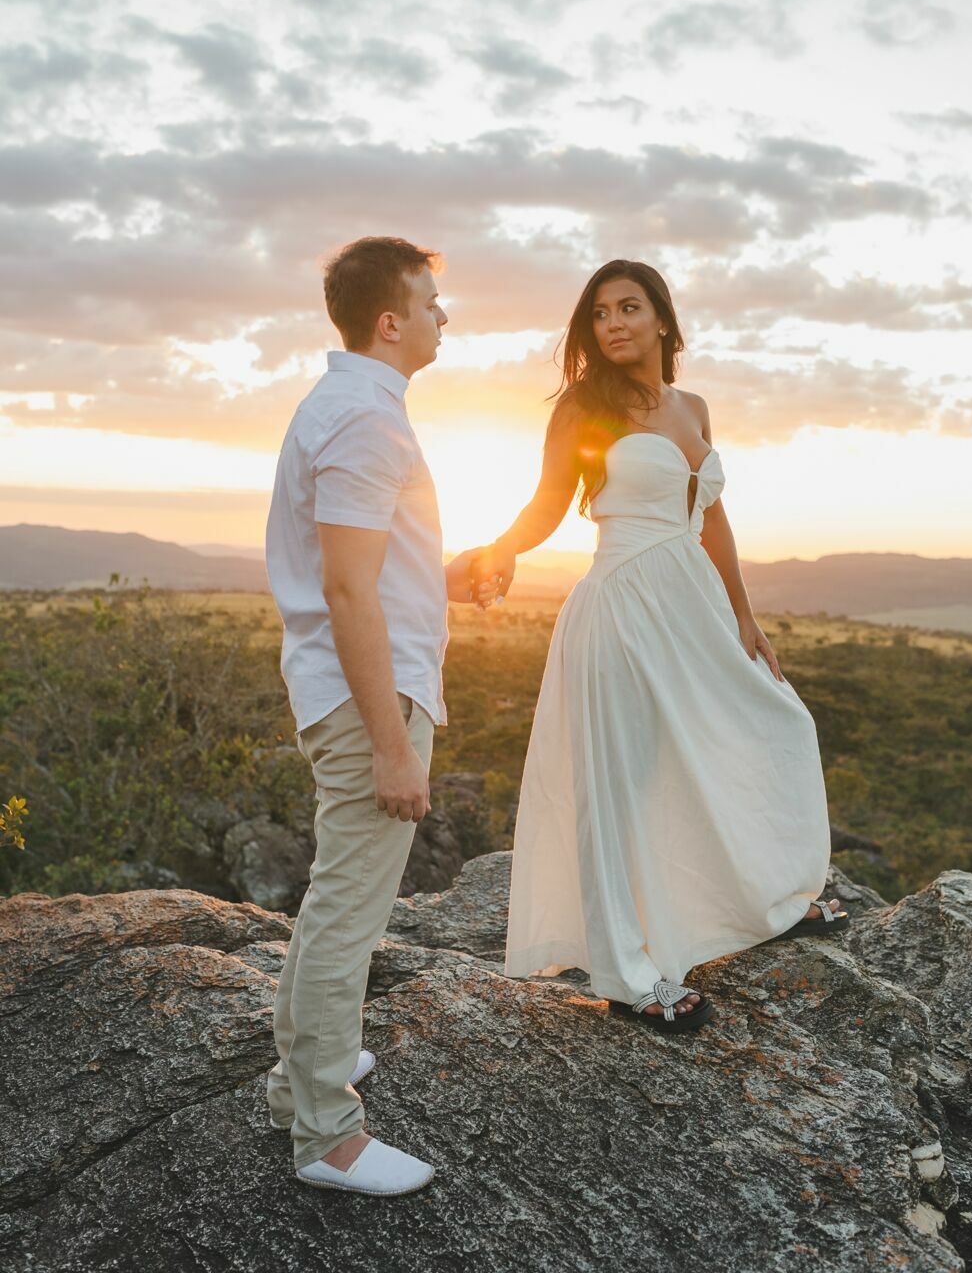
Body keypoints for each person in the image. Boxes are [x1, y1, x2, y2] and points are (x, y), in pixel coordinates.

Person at [480, 259, 848, 1033]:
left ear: (661, 320)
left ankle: (765, 895)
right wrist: (500, 550)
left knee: (767, 726)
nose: (613, 323)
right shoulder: (585, 406)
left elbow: (711, 515)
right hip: (622, 603)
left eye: (629, 307)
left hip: (695, 605)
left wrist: (745, 616)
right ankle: (627, 973)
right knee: (619, 783)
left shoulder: (693, 406)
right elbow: (549, 502)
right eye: (600, 314)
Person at [264, 235, 499, 1194]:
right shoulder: (365, 418)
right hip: (372, 700)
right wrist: (395, 748)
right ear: (390, 321)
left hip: (362, 686)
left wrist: (443, 579)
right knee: (349, 911)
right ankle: (326, 1133)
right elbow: (348, 596)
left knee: (340, 904)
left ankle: (299, 1081)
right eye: (434, 303)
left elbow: (371, 577)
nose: (447, 317)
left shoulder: (351, 406)